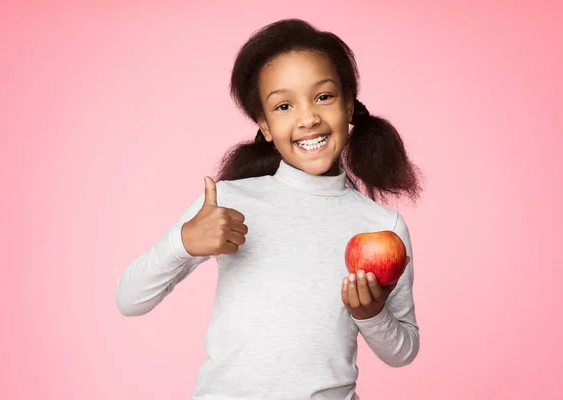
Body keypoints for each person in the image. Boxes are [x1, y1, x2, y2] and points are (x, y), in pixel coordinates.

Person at [116, 18, 423, 400]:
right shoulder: (228, 202)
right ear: (264, 124)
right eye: (283, 105)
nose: (308, 118)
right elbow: (129, 300)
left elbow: (403, 351)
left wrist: (371, 313)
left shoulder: (382, 224)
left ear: (348, 104)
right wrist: (183, 242)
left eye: (323, 97)